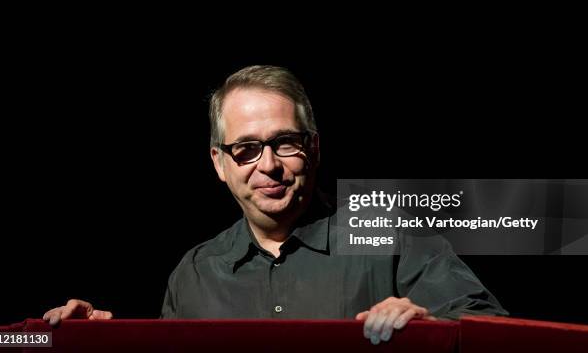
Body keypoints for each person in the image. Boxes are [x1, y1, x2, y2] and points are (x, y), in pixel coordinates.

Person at [43, 65, 507, 345]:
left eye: (285, 143)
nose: (268, 165)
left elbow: (497, 334)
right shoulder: (194, 272)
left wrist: (434, 327)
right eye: (245, 149)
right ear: (219, 164)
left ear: (315, 148)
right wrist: (104, 341)